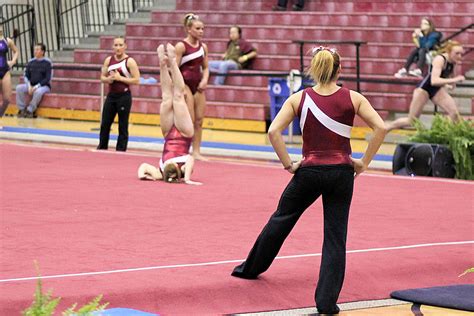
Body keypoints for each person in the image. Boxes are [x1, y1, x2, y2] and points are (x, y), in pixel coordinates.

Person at [231, 46, 387, 314]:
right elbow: (381, 127)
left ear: (314, 70)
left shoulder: (298, 98)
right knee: (335, 237)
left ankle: (250, 268)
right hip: (341, 172)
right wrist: (363, 162)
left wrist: (288, 164)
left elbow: (273, 131)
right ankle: (326, 302)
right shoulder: (354, 98)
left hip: (309, 171)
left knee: (281, 218)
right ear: (339, 70)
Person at [137, 44, 201, 185]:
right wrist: (188, 179)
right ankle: (172, 61)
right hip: (184, 134)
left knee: (166, 98)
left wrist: (143, 175)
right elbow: (191, 159)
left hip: (168, 134)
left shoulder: (159, 172)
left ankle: (162, 63)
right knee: (178, 96)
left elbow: (143, 166)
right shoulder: (183, 167)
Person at [386, 40, 465, 131]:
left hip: (436, 90)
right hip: (424, 89)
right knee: (411, 121)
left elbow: (450, 80)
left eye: (461, 54)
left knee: (454, 114)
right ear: (449, 52)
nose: (459, 56)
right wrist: (455, 79)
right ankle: (387, 127)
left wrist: (451, 84)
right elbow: (434, 81)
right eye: (457, 53)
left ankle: (448, 135)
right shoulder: (440, 59)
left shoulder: (453, 62)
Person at [175, 13, 209, 161]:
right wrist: (180, 88)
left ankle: (196, 151)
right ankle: (183, 150)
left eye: (202, 28)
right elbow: (174, 69)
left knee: (199, 120)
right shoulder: (181, 46)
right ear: (189, 29)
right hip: (185, 85)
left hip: (198, 86)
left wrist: (205, 80)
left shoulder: (203, 47)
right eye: (198, 28)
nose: (201, 31)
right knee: (188, 119)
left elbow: (206, 67)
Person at [97, 36, 140, 152]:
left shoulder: (130, 61)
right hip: (111, 96)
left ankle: (121, 149)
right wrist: (108, 80)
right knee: (105, 123)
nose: (118, 48)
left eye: (120, 45)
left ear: (125, 46)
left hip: (124, 96)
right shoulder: (108, 60)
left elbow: (136, 80)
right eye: (116, 45)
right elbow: (102, 77)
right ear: (112, 47)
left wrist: (120, 78)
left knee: (122, 125)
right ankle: (102, 147)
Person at [15, 43, 52, 118]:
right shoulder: (31, 62)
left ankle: (30, 110)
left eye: (37, 49)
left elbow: (48, 78)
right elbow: (26, 75)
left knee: (38, 92)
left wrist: (36, 87)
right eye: (35, 49)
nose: (35, 51)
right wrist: (29, 86)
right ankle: (22, 109)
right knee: (19, 88)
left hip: (43, 86)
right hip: (30, 84)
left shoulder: (48, 63)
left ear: (42, 52)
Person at [0, 24, 19, 117]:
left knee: (7, 99)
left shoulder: (7, 41)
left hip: (5, 70)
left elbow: (16, 51)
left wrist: (13, 61)